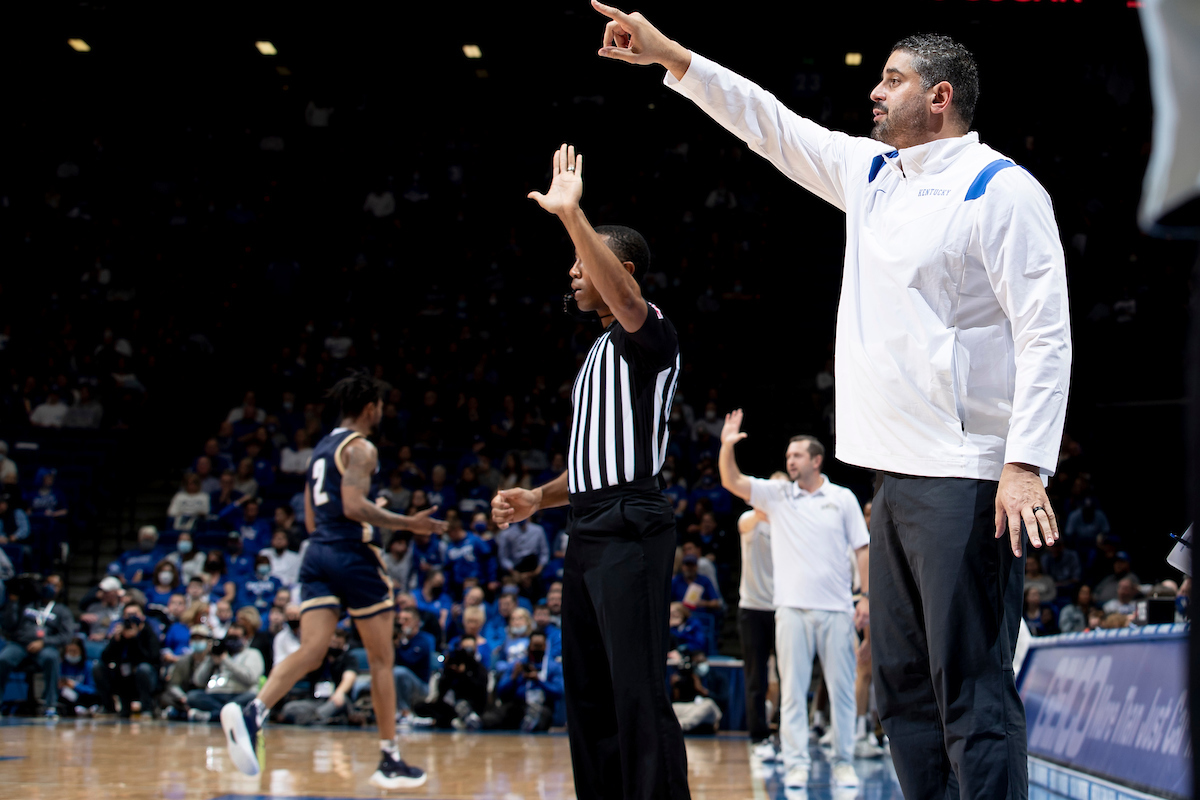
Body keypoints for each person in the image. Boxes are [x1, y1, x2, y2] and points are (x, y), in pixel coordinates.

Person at [592, 7, 1072, 798]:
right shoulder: (873, 173)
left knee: (972, 694)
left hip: (967, 476)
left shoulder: (1004, 191)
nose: (875, 92)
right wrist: (670, 54)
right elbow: (768, 123)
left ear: (941, 96)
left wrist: (1023, 463)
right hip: (891, 478)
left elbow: (1046, 336)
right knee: (904, 695)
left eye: (893, 79)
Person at [492, 143, 688, 800]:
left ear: (617, 269)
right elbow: (589, 467)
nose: (572, 275)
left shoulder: (648, 330)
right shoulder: (596, 354)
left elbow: (627, 298)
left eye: (582, 264)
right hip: (588, 524)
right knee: (591, 693)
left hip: (632, 522)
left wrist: (573, 216)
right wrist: (535, 499)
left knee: (636, 690)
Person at [220, 372, 445, 789]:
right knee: (381, 660)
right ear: (370, 407)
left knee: (311, 649)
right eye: (380, 405)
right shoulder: (361, 448)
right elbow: (354, 504)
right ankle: (389, 758)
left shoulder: (321, 451)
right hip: (352, 555)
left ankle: (254, 710)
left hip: (317, 554)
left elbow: (310, 518)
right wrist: (407, 522)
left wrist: (360, 509)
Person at [719, 415, 868, 788]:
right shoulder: (778, 496)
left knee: (841, 692)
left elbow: (862, 550)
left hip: (836, 609)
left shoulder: (842, 498)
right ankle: (796, 763)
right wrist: (726, 446)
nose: (791, 460)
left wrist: (865, 596)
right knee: (792, 693)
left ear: (817, 460)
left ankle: (843, 762)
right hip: (790, 610)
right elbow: (732, 481)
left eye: (798, 455)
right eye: (788, 455)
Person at [0, 576, 75, 717]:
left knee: (51, 658)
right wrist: (12, 601)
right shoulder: (26, 604)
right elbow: (9, 626)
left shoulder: (61, 610)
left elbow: (66, 636)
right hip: (20, 645)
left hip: (45, 647)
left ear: (60, 590)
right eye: (49, 584)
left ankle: (50, 705)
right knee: (3, 659)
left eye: (56, 585)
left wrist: (44, 642)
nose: (51, 587)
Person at [736, 503, 776, 759]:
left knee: (788, 675)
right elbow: (745, 525)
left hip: (783, 605)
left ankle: (786, 733)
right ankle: (758, 735)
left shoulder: (792, 522)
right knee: (755, 676)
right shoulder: (749, 519)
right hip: (752, 607)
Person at [481, 630, 563, 733]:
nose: (536, 649)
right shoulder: (518, 665)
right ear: (529, 646)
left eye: (540, 646)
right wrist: (514, 677)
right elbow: (501, 690)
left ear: (545, 647)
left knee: (537, 721)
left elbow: (559, 691)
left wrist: (539, 681)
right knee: (489, 720)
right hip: (518, 706)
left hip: (542, 706)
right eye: (534, 646)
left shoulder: (553, 667)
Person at [94, 602, 161, 716]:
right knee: (98, 667)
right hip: (122, 676)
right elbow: (105, 657)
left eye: (134, 614)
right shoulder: (120, 632)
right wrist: (116, 640)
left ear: (142, 616)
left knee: (143, 669)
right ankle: (108, 707)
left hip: (144, 676)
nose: (131, 618)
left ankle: (146, 709)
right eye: (128, 614)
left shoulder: (148, 631)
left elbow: (153, 657)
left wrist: (135, 638)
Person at [187, 621, 263, 721]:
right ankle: (227, 714)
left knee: (252, 697)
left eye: (235, 637)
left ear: (245, 638)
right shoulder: (218, 652)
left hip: (240, 693)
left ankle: (211, 716)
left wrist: (226, 660)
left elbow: (250, 678)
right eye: (229, 637)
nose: (231, 640)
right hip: (216, 694)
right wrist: (210, 658)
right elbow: (198, 681)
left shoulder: (252, 653)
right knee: (192, 696)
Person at [278, 629, 357, 726]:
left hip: (336, 700)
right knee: (289, 708)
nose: (334, 646)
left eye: (337, 644)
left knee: (337, 703)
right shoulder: (319, 658)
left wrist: (340, 692)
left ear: (344, 644)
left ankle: (315, 719)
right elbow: (301, 671)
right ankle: (317, 720)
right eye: (332, 643)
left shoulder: (348, 659)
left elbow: (349, 677)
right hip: (316, 701)